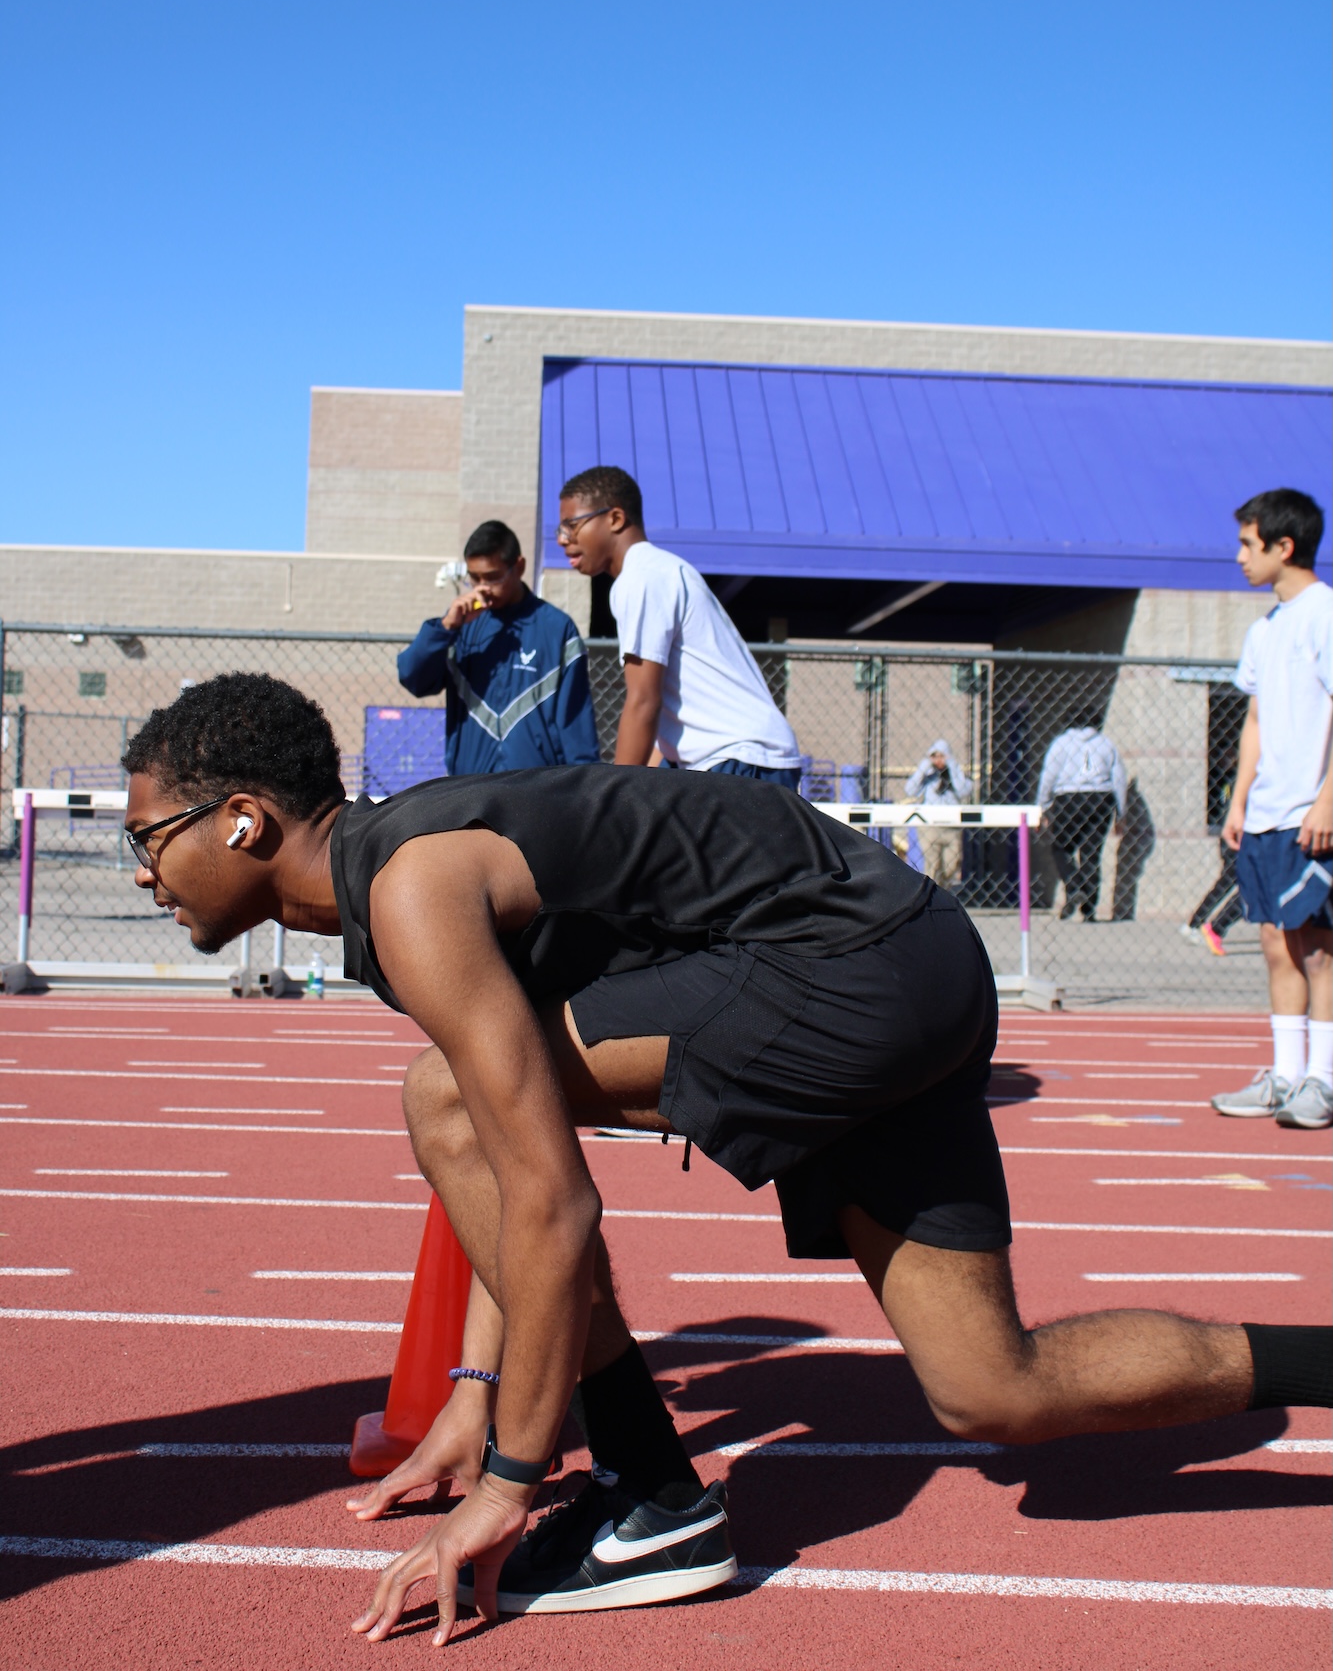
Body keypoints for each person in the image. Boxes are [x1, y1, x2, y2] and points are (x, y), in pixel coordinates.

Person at [121, 673, 1331, 1643]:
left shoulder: (410, 886)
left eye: (148, 836)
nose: (140, 869)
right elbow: (504, 1160)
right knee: (993, 1388)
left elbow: (544, 1199)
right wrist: (474, 1392)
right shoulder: (401, 875)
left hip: (845, 970)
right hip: (912, 956)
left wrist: (506, 1481)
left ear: (244, 820)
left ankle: (651, 1493)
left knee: (441, 1097)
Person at [555, 464, 801, 785]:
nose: (562, 539)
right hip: (736, 758)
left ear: (615, 518)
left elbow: (643, 701)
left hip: (740, 758)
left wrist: (613, 793)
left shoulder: (643, 577)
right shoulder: (656, 571)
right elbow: (662, 725)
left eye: (572, 525)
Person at [1211, 489, 1333, 1129]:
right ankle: (1286, 1076)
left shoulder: (1325, 614)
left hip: (1311, 815)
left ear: (1284, 546)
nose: (1239, 557)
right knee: (1275, 945)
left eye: (1247, 543)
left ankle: (1324, 1080)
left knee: (1319, 949)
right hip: (1265, 817)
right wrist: (1238, 801)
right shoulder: (1265, 628)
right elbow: (1255, 718)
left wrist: (1327, 800)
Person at [396, 520, 599, 773]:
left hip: (536, 788)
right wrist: (445, 627)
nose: (482, 588)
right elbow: (413, 678)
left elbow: (576, 724)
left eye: (493, 577)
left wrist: (586, 786)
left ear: (519, 567)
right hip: (471, 787)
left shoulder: (557, 629)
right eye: (474, 578)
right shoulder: (460, 626)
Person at [1036, 721, 1127, 920]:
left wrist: (1042, 805)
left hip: (1068, 797)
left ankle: (1074, 884)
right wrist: (1121, 812)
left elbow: (1048, 775)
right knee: (1091, 853)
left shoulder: (1061, 743)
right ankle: (1089, 909)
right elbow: (1119, 778)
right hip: (1100, 798)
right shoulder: (1105, 743)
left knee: (1061, 847)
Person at [903, 738, 972, 886]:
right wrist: (924, 767)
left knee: (951, 864)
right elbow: (910, 790)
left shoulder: (956, 775)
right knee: (932, 865)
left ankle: (944, 889)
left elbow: (963, 791)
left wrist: (952, 766)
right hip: (930, 827)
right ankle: (932, 892)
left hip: (951, 827)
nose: (939, 760)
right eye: (935, 756)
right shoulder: (928, 777)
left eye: (942, 756)